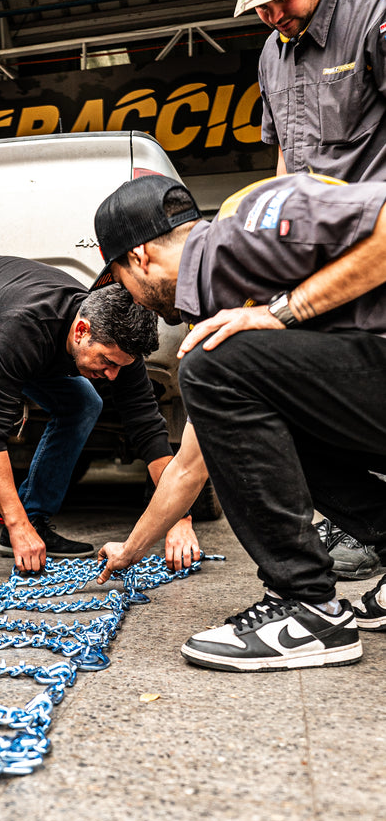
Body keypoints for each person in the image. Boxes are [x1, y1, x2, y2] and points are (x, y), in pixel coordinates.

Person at [92, 172, 386, 672]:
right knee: (243, 387)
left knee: (210, 363)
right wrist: (131, 549)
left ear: (139, 258)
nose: (133, 298)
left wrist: (286, 312)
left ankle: (309, 608)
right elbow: (193, 461)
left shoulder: (248, 220)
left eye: (121, 280)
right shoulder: (219, 298)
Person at [0, 254, 199, 583]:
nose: (111, 374)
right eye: (106, 362)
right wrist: (14, 523)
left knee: (85, 402)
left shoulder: (119, 344)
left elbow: (148, 429)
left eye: (120, 365)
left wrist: (178, 517)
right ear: (81, 331)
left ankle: (34, 519)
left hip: (2, 321)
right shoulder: (27, 325)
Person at [232, 0, 386, 578]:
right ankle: (373, 525)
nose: (270, 14)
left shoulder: (373, 13)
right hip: (318, 270)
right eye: (257, 4)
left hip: (376, 255)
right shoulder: (273, 51)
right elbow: (286, 162)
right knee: (292, 406)